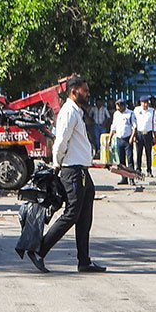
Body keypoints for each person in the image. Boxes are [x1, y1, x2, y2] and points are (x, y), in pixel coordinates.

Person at [29, 74, 104, 274]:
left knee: (85, 216)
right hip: (71, 170)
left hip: (81, 171)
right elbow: (61, 141)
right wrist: (57, 164)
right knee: (71, 213)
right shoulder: (68, 112)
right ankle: (39, 250)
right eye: (85, 91)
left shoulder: (76, 111)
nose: (88, 94)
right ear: (74, 91)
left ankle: (84, 261)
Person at [133, 96, 156, 179]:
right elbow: (134, 123)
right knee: (138, 153)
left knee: (148, 153)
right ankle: (138, 170)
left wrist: (155, 136)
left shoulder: (152, 111)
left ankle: (149, 170)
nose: (145, 105)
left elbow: (154, 124)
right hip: (139, 134)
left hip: (148, 134)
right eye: (144, 103)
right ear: (141, 103)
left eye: (147, 103)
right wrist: (134, 135)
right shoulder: (136, 110)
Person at [112, 99, 134, 173]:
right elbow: (113, 127)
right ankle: (124, 177)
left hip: (127, 140)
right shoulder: (116, 114)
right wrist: (110, 138)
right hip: (119, 139)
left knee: (130, 159)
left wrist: (132, 137)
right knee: (121, 160)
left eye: (119, 106)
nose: (117, 108)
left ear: (123, 105)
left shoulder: (130, 114)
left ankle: (131, 178)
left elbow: (134, 127)